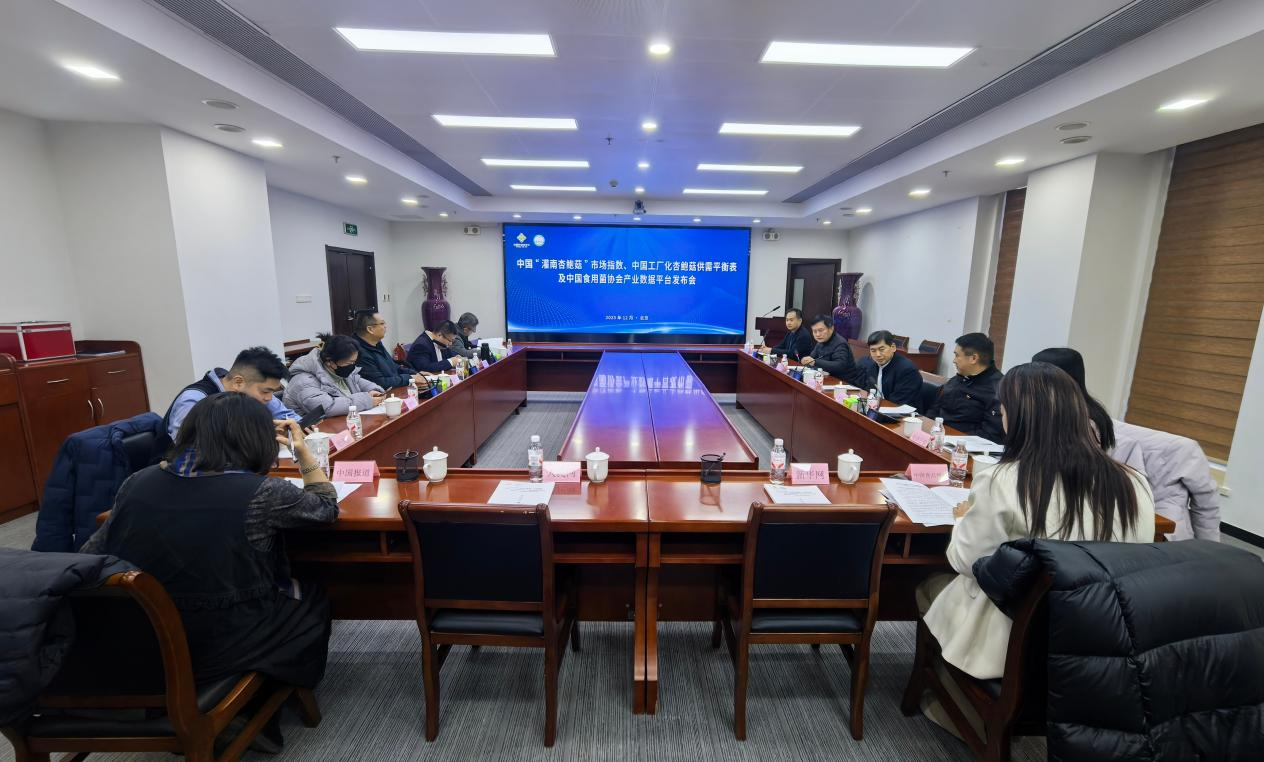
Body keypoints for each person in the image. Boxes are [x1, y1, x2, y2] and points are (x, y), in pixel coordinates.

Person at [913, 363, 1155, 737]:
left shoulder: (1004, 480)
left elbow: (965, 560)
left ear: (1018, 419)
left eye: (1004, 410)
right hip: (1105, 637)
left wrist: (962, 519)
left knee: (930, 588)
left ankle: (962, 709)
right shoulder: (1134, 483)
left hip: (1021, 639)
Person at [81, 392, 339, 695]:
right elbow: (325, 506)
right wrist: (303, 452)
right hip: (221, 643)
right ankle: (272, 693)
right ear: (257, 438)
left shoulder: (137, 481)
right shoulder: (265, 492)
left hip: (136, 637)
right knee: (313, 597)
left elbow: (91, 554)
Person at [1034, 346, 1220, 541]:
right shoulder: (1080, 418)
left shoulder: (1098, 434)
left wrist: (1210, 550)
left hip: (1138, 532)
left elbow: (1127, 499)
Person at [164, 347, 298, 441]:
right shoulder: (195, 400)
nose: (269, 398)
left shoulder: (255, 394)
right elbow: (187, 449)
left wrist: (295, 427)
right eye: (266, 391)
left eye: (272, 391)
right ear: (238, 382)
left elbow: (291, 419)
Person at [284, 333, 385, 418]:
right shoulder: (303, 382)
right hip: (314, 431)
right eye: (349, 363)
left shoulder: (339, 370)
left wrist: (373, 390)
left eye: (354, 362)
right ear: (330, 362)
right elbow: (327, 408)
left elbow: (357, 381)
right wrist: (366, 400)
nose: (352, 366)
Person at [926, 333, 1004, 442]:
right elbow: (935, 409)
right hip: (938, 437)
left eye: (957, 355)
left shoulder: (998, 389)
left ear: (973, 358)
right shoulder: (958, 378)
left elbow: (991, 435)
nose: (954, 360)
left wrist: (951, 439)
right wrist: (927, 428)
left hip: (963, 445)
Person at [351, 310, 430, 391]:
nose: (385, 326)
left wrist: (416, 374)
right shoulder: (358, 352)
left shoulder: (376, 343)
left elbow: (394, 367)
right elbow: (380, 383)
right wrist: (409, 378)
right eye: (382, 323)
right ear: (370, 329)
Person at [857, 330, 923, 407]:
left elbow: (897, 403)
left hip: (901, 412)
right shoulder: (871, 365)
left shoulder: (907, 370)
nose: (878, 355)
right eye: (873, 350)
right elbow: (867, 390)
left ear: (893, 347)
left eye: (882, 349)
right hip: (878, 407)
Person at [800, 314, 866, 387]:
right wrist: (807, 360)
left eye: (821, 330)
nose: (817, 334)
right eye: (814, 331)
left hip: (843, 384)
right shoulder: (821, 341)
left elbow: (839, 365)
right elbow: (812, 357)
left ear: (831, 329)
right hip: (827, 379)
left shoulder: (840, 344)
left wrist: (814, 362)